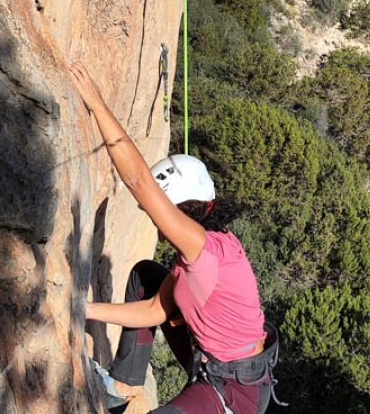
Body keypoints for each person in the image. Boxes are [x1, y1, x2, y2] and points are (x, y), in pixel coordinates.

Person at [69, 62, 281, 414]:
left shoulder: (203, 248)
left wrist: (97, 104)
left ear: (178, 209)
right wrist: (83, 309)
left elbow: (139, 181)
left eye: (158, 210)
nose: (152, 217)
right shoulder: (197, 254)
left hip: (235, 391)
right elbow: (155, 310)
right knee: (146, 277)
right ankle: (121, 386)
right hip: (208, 362)